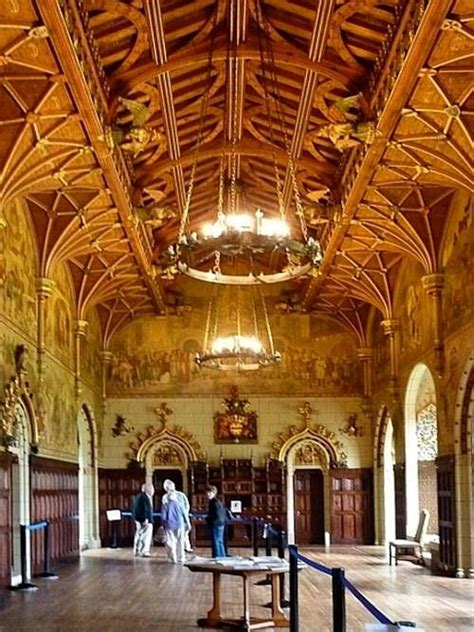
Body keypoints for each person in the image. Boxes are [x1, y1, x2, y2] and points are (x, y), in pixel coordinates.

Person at [161, 479, 193, 552]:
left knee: (178, 536)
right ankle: (183, 549)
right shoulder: (167, 496)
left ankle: (183, 548)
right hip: (178, 519)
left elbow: (186, 505)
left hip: (175, 519)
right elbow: (186, 506)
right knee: (180, 536)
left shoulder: (177, 495)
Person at [160, 490, 191, 564]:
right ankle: (181, 557)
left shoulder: (165, 505)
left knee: (171, 542)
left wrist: (163, 525)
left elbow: (163, 517)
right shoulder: (180, 504)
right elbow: (185, 515)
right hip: (180, 525)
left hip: (169, 526)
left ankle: (172, 558)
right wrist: (188, 523)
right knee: (180, 541)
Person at [132, 483, 154, 557]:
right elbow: (145, 509)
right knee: (145, 536)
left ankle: (137, 550)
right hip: (144, 521)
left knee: (139, 535)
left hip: (140, 520)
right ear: (148, 490)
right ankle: (144, 551)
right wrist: (145, 519)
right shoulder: (144, 497)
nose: (153, 491)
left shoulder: (140, 497)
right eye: (152, 489)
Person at [206, 485, 227, 558]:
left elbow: (216, 515)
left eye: (210, 493)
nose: (208, 494)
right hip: (220, 523)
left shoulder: (214, 502)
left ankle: (217, 558)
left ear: (214, 493)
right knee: (219, 542)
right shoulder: (217, 501)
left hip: (216, 524)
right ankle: (222, 557)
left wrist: (208, 519)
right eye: (207, 493)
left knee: (216, 542)